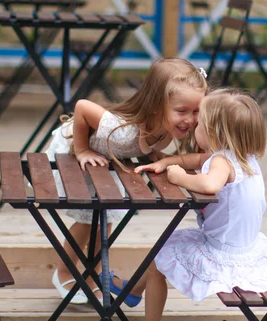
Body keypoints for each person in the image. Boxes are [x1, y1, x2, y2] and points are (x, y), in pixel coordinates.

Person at [112, 88, 267, 321]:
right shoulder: (242, 157)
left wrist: (178, 177)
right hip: (243, 247)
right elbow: (197, 158)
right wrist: (169, 161)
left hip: (223, 255)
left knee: (160, 258)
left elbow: (209, 185)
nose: (194, 125)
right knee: (165, 246)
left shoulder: (221, 164)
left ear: (215, 134)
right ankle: (132, 292)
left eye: (200, 123)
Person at [46, 58, 208, 304]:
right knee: (86, 220)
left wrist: (156, 157)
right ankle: (65, 271)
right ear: (156, 107)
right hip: (73, 150)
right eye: (182, 111)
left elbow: (147, 144)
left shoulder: (165, 128)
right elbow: (81, 107)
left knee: (107, 220)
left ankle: (94, 274)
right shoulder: (121, 130)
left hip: (108, 159)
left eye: (196, 111)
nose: (190, 119)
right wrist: (81, 150)